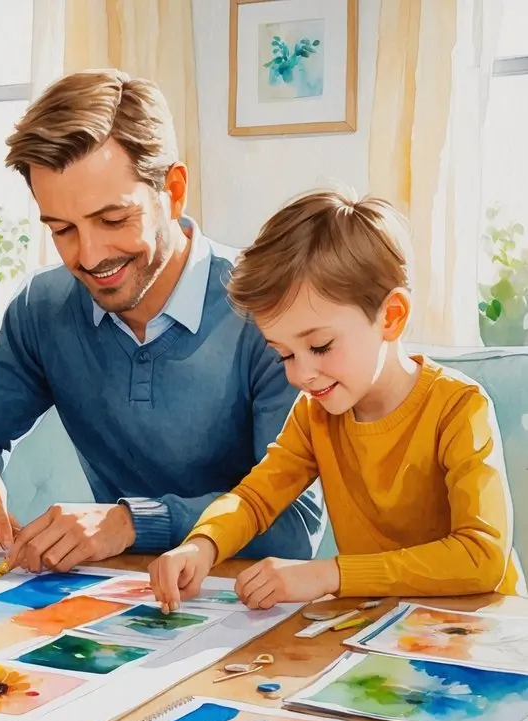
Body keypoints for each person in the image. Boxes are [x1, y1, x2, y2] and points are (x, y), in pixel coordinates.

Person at [0, 69, 324, 572]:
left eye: (113, 220)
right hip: (113, 606)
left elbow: (295, 524)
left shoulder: (271, 312)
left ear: (174, 192)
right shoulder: (42, 308)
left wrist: (131, 523)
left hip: (244, 607)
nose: (89, 256)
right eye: (63, 229)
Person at [149, 189, 523, 612]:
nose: (301, 374)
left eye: (321, 346)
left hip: (487, 634)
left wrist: (331, 574)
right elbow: (255, 497)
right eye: (284, 354)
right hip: (379, 626)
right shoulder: (315, 415)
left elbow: (482, 556)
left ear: (392, 316)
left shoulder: (459, 408)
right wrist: (203, 545)